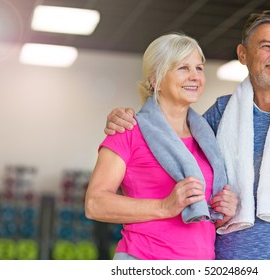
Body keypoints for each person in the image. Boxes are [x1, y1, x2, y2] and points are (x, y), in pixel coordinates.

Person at [103, 9, 270, 260]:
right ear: (243, 54)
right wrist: (127, 119)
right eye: (266, 46)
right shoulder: (220, 113)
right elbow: (168, 142)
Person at [85, 33, 238, 260]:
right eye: (183, 68)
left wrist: (224, 210)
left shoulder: (207, 139)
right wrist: (165, 206)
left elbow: (205, 215)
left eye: (199, 68)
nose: (195, 76)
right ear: (155, 79)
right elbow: (95, 203)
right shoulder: (128, 130)